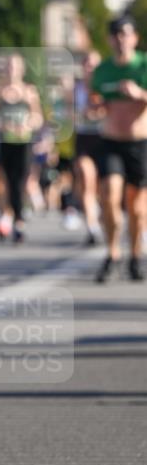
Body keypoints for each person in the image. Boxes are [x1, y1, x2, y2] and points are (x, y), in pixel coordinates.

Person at [91, 15, 147, 282]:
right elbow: (94, 103)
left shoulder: (144, 65)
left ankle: (135, 255)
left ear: (135, 37)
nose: (121, 39)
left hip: (140, 143)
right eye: (115, 34)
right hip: (111, 141)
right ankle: (113, 252)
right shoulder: (102, 71)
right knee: (110, 196)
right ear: (109, 39)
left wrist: (140, 94)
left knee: (136, 207)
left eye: (125, 34)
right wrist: (94, 107)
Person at [0, 54, 43, 243]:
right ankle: (6, 217)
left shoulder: (29, 91)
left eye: (15, 67)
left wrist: (28, 124)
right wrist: (1, 124)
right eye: (8, 67)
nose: (11, 70)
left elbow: (38, 117)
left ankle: (18, 221)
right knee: (2, 183)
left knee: (21, 182)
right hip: (3, 142)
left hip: (23, 143)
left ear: (22, 70)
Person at [73, 51, 103, 245]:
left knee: (102, 186)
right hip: (83, 137)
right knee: (86, 177)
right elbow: (64, 112)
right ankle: (92, 227)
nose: (90, 68)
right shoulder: (76, 89)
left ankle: (99, 212)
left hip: (104, 138)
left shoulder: (105, 88)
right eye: (87, 64)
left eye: (94, 64)